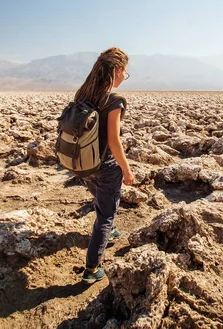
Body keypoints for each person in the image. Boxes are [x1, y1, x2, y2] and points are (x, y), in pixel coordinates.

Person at [74, 47, 134, 284]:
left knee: (101, 200)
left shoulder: (83, 94)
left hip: (83, 163)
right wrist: (126, 169)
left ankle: (110, 230)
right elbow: (114, 141)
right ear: (117, 70)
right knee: (106, 215)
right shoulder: (114, 100)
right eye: (125, 73)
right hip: (105, 165)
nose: (124, 77)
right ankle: (92, 269)